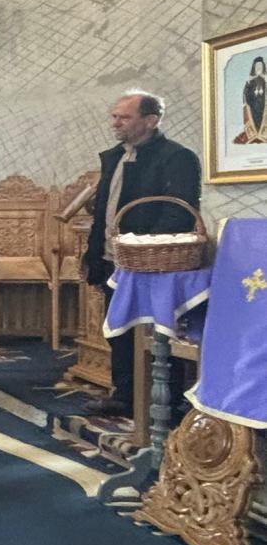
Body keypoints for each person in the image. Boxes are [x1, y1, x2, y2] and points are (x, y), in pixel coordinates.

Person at [81, 91, 202, 416]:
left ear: (151, 120)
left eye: (124, 117)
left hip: (152, 263)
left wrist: (144, 246)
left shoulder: (177, 157)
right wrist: (95, 252)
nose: (115, 123)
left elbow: (180, 211)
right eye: (114, 116)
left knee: (158, 333)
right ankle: (125, 395)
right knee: (120, 331)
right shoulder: (115, 157)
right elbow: (105, 210)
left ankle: (166, 400)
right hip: (114, 260)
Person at [236, 56, 266, 144]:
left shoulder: (265, 82)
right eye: (257, 67)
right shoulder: (251, 82)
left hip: (263, 106)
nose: (259, 68)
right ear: (254, 68)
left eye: (260, 66)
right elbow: (247, 97)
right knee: (254, 120)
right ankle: (254, 135)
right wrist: (247, 89)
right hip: (253, 106)